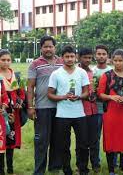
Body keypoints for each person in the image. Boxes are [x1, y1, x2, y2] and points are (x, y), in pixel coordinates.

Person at [48, 45, 90, 175]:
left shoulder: (82, 72)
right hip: (62, 115)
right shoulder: (56, 74)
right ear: (62, 58)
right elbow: (50, 94)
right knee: (64, 145)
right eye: (67, 56)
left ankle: (82, 169)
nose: (70, 59)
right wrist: (63, 97)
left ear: (75, 57)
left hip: (79, 113)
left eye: (72, 56)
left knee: (83, 144)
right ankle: (67, 170)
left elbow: (87, 92)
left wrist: (78, 97)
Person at [98, 49, 123, 175]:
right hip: (111, 112)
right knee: (111, 139)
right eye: (115, 60)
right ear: (112, 60)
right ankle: (111, 170)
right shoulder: (107, 75)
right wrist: (111, 97)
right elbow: (100, 94)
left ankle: (122, 168)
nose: (118, 63)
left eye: (120, 60)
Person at [27, 36, 63, 175]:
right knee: (41, 141)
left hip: (61, 108)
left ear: (55, 47)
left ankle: (54, 168)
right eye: (45, 46)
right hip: (42, 108)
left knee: (57, 140)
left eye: (51, 46)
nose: (48, 49)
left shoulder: (62, 62)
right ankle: (39, 171)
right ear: (41, 48)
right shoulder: (35, 64)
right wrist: (30, 107)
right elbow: (30, 87)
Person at [0, 50, 25, 175]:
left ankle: (10, 169)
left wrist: (20, 102)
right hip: (1, 112)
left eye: (8, 60)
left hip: (14, 114)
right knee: (1, 140)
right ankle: (1, 169)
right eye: (3, 60)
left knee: (11, 140)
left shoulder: (16, 75)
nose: (6, 62)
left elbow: (21, 93)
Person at [77, 48, 99, 173]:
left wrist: (94, 94)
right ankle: (81, 166)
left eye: (90, 58)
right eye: (85, 57)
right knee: (82, 141)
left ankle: (95, 164)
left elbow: (96, 90)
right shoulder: (75, 72)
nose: (87, 60)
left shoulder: (93, 73)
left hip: (93, 110)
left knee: (94, 140)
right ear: (79, 57)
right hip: (81, 111)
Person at [92, 45, 112, 170]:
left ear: (107, 56)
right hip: (96, 107)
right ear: (95, 56)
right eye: (99, 54)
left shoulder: (112, 71)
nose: (101, 56)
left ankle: (113, 162)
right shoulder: (92, 71)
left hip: (110, 107)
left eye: (103, 54)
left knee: (110, 135)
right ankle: (96, 163)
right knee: (95, 137)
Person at [0, 67, 10, 175]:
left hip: (0, 117)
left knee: (1, 146)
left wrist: (3, 107)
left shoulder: (0, 80)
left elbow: (5, 97)